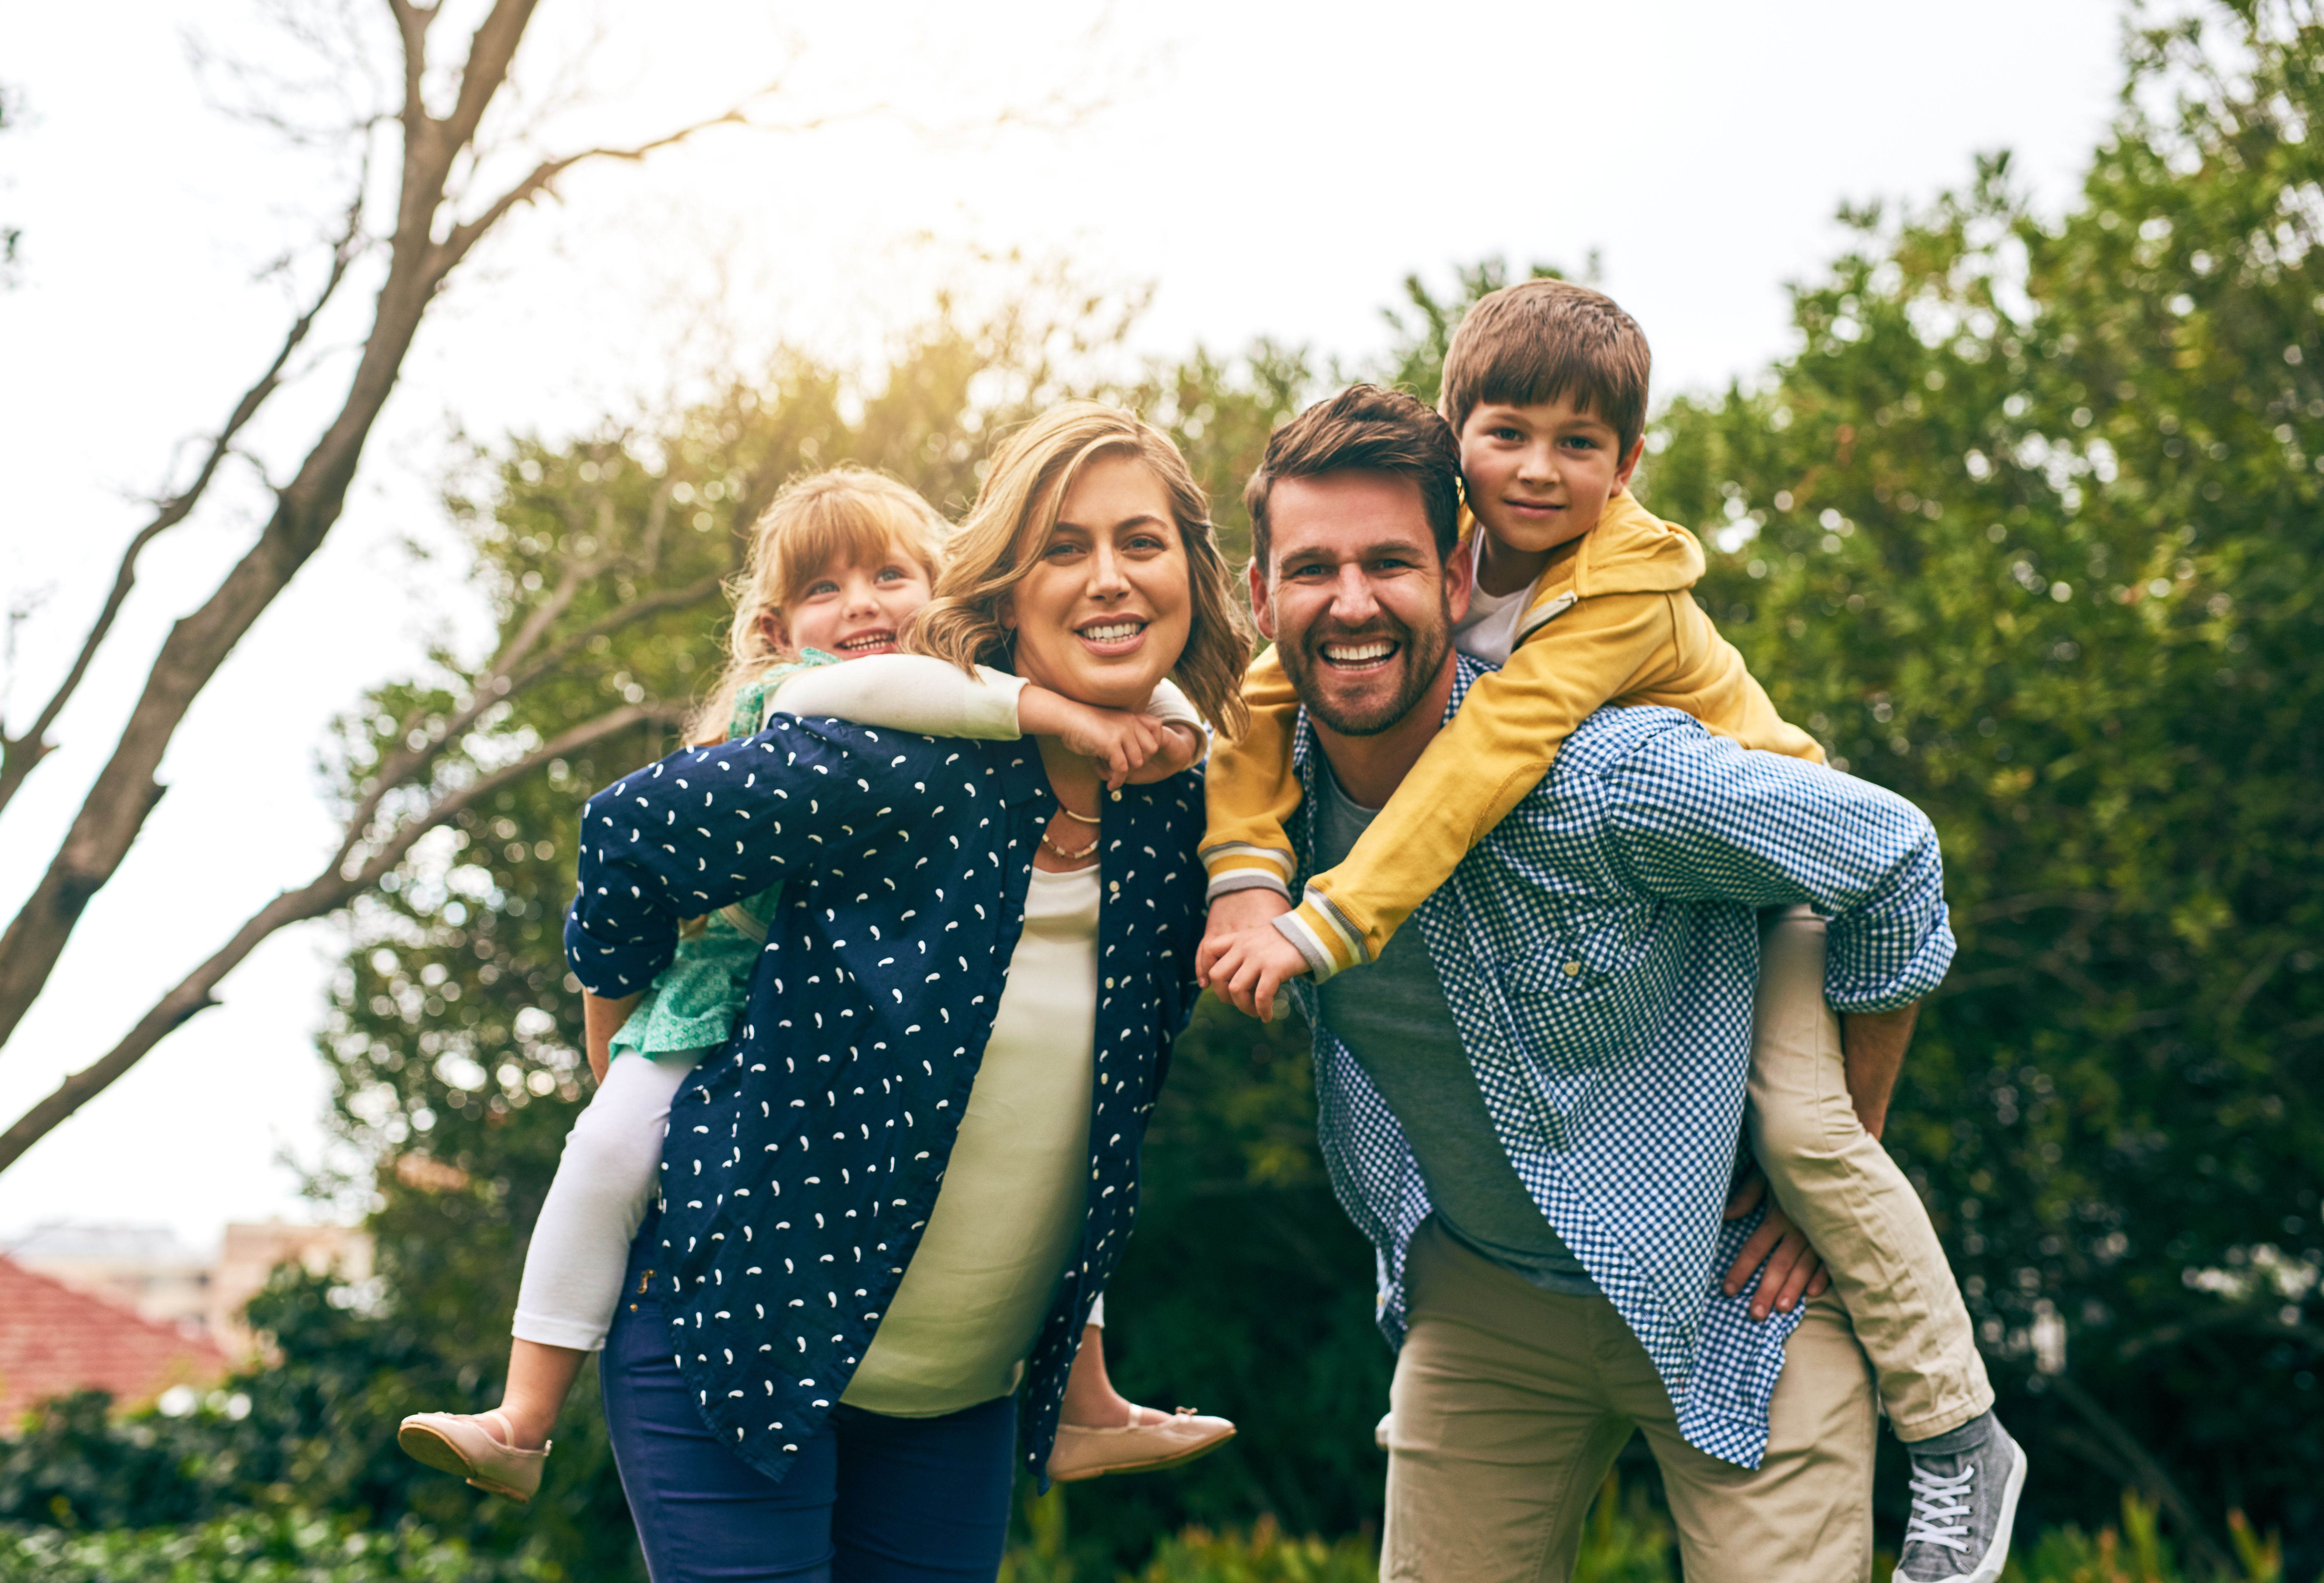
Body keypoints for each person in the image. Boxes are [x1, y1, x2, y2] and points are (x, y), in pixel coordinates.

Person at [1203, 288, 2023, 1583]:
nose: (1351, 600)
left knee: (1808, 1132)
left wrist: (1836, 1167)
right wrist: (1243, 884)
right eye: (1314, 569)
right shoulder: (1272, 762)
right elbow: (1233, 734)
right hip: (1484, 1302)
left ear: (1454, 566)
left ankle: (1962, 1436)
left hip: (1736, 1296)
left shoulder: (1611, 752)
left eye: (1389, 566)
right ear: (1263, 593)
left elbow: (1889, 853)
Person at [396, 465, 1229, 1508]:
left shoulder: (1049, 753)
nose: (865, 607)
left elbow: (1093, 691)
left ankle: (1086, 1398)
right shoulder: (818, 708)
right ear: (779, 624)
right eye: (826, 590)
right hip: (721, 1005)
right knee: (612, 1141)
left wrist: (1170, 730)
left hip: (946, 1344)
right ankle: (523, 1415)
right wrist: (610, 1023)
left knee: (1062, 1134)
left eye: (891, 575)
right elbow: (636, 837)